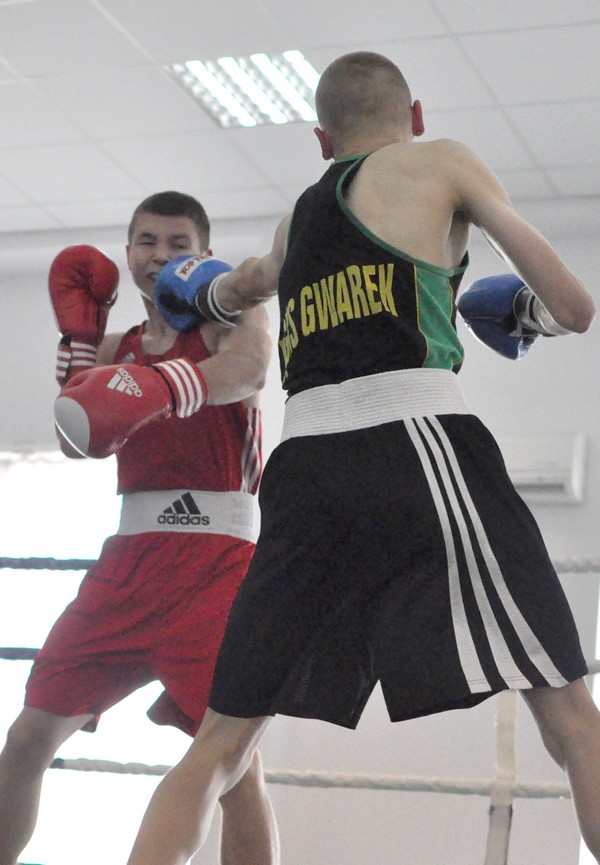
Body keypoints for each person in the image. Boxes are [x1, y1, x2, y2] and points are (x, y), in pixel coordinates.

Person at [63, 53, 599, 863]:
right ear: (415, 117)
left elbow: (235, 289)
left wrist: (193, 290)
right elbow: (576, 305)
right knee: (568, 714)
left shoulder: (295, 221)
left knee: (221, 744)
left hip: (304, 472)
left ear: (322, 141)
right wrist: (528, 314)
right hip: (419, 442)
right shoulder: (442, 160)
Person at [0, 191, 279, 865]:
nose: (160, 255)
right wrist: (78, 344)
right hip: (125, 569)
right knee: (27, 737)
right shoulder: (115, 349)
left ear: (204, 254)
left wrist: (158, 386)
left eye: (178, 243)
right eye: (148, 241)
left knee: (235, 768)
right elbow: (75, 441)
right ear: (128, 254)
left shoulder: (229, 317)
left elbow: (249, 368)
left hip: (216, 568)